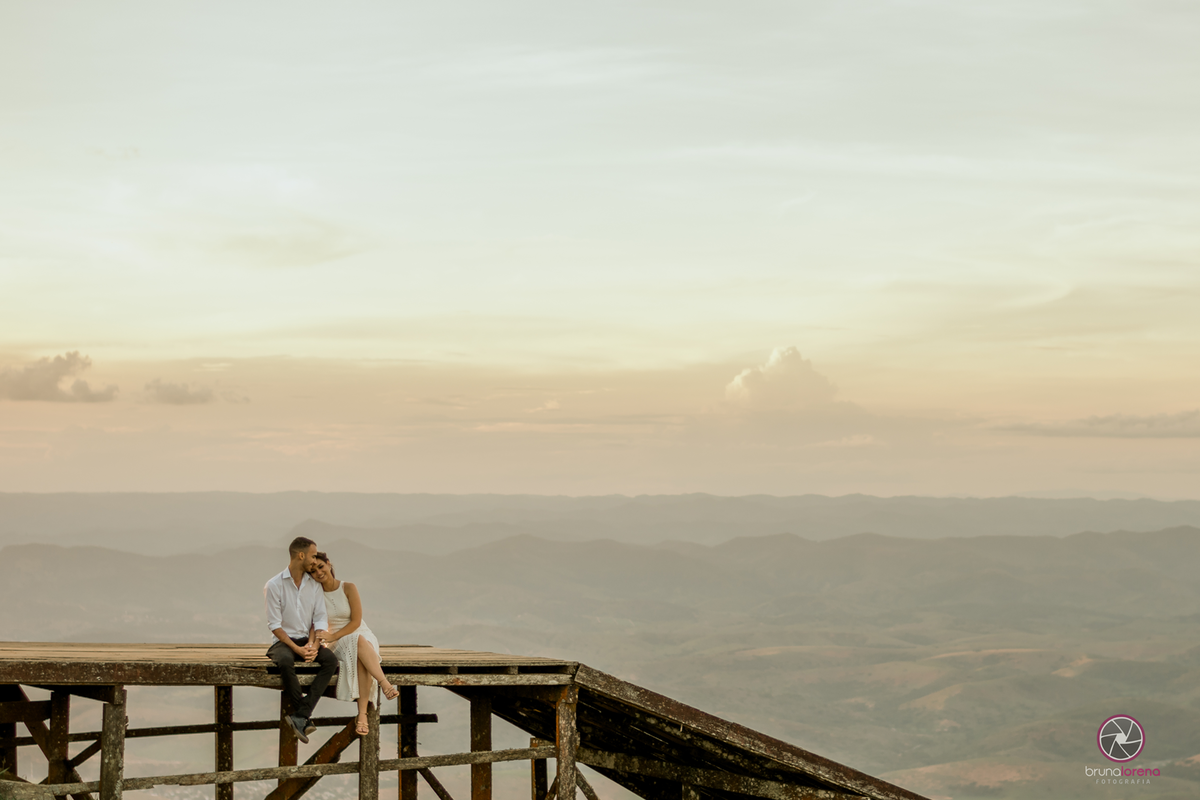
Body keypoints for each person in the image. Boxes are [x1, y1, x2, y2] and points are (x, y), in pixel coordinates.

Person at [309, 551, 400, 735]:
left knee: (359, 646)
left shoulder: (348, 587)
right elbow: (315, 624)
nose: (318, 572)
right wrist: (317, 644)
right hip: (336, 641)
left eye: (321, 566)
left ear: (328, 564)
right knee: (356, 644)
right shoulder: (315, 595)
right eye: (313, 571)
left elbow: (356, 621)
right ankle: (384, 683)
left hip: (360, 633)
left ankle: (363, 715)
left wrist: (334, 636)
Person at [265, 536, 339, 744]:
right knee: (285, 661)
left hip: (308, 639)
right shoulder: (274, 585)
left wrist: (314, 645)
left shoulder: (313, 585)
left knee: (331, 661)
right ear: (301, 555)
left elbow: (319, 618)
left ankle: (300, 715)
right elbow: (274, 625)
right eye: (313, 556)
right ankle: (303, 715)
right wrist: (297, 649)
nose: (315, 561)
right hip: (283, 642)